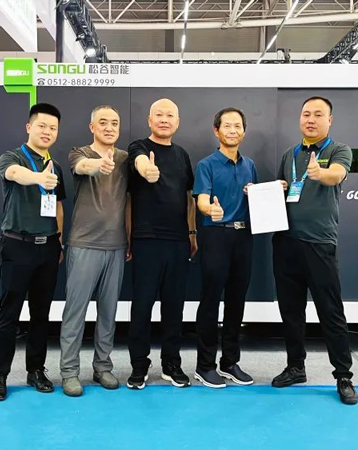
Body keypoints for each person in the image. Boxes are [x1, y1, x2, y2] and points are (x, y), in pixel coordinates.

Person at [272, 96, 358, 405]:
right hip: (285, 242)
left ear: (329, 120)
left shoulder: (339, 150)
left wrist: (322, 174)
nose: (311, 119)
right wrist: (277, 188)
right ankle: (296, 367)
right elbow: (285, 187)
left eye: (318, 115)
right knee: (291, 311)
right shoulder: (290, 154)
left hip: (319, 243)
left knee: (330, 311)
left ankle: (344, 376)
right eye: (306, 114)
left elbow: (337, 173)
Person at [0, 103, 66, 402]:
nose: (47, 132)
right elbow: (14, 174)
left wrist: (59, 239)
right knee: (9, 313)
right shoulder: (12, 157)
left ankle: (36, 370)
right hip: (16, 245)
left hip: (48, 248)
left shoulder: (55, 167)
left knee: (41, 314)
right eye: (42, 126)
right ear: (29, 127)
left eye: (53, 128)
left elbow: (58, 206)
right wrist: (38, 178)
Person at [59, 105, 130, 397]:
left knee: (108, 312)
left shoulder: (125, 158)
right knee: (75, 312)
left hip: (116, 245)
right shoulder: (79, 153)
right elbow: (81, 167)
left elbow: (130, 200)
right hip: (84, 243)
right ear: (92, 127)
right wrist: (98, 164)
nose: (109, 127)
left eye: (114, 123)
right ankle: (69, 372)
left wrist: (130, 238)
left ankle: (102, 367)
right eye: (103, 122)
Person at [127, 98, 197, 390]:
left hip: (178, 241)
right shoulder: (138, 147)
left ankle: (171, 363)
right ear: (149, 120)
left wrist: (192, 232)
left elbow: (189, 197)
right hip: (146, 240)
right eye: (159, 115)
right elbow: (140, 164)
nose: (164, 119)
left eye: (170, 115)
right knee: (142, 306)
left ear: (177, 122)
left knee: (174, 307)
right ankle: (139, 365)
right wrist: (148, 170)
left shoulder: (182, 155)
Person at [192, 107, 258, 389]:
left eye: (238, 126)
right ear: (216, 130)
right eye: (227, 125)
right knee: (210, 301)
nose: (233, 130)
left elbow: (256, 199)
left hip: (244, 237)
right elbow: (201, 200)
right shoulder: (206, 165)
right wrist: (210, 210)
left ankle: (230, 362)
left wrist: (269, 192)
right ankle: (205, 366)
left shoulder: (249, 165)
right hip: (216, 235)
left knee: (236, 300)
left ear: (244, 131)